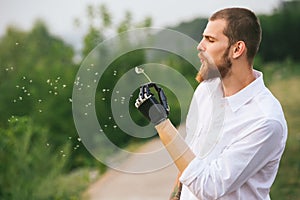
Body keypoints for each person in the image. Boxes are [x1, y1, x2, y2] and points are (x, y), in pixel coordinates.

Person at [135, 7, 287, 200]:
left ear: (237, 49)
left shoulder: (265, 120)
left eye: (210, 40)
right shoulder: (206, 91)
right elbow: (189, 164)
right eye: (203, 38)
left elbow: (209, 187)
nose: (200, 46)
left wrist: (162, 124)